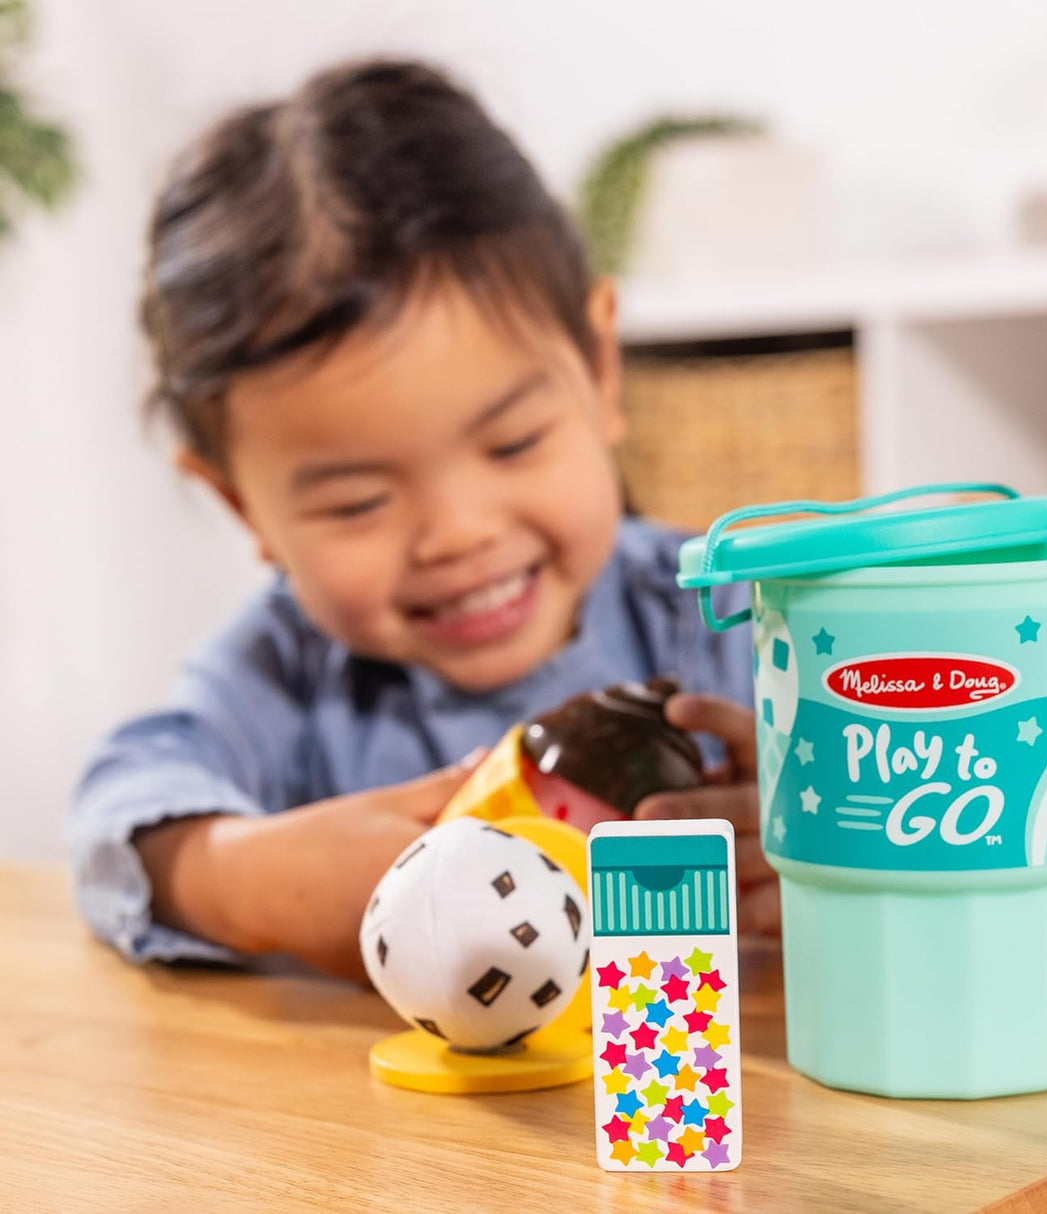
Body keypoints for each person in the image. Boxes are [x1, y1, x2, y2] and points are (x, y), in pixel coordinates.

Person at [68, 59, 772, 983]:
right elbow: (119, 809)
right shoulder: (286, 677)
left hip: (682, 1108)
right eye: (359, 501)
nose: (457, 534)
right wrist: (240, 878)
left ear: (601, 371)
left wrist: (831, 851)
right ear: (244, 505)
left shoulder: (739, 616)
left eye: (514, 443)